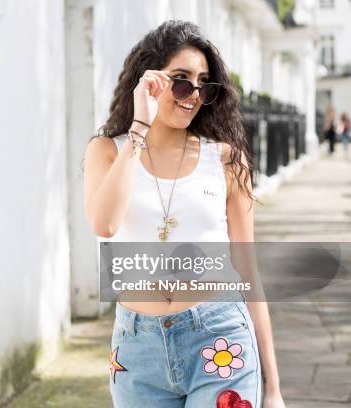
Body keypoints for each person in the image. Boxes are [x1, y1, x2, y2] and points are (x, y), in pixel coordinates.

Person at [83, 21, 285, 407]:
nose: (192, 94)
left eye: (203, 84)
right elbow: (103, 223)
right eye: (180, 80)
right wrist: (139, 127)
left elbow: (248, 273)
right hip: (137, 352)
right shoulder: (109, 152)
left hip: (220, 339)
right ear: (149, 80)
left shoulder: (225, 160)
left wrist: (272, 388)